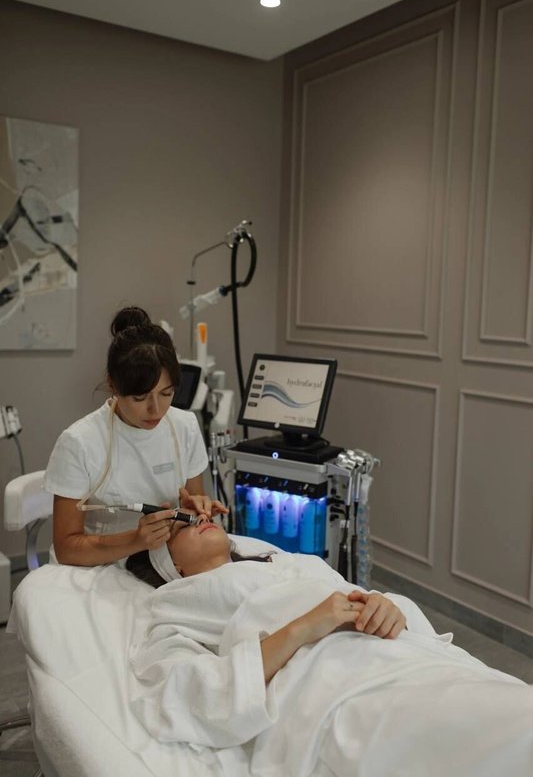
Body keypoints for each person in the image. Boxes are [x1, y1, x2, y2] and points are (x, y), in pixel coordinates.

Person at [127, 519, 533, 776]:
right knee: (497, 732)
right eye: (179, 528)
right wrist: (304, 628)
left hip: (402, 652)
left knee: (507, 704)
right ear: (172, 566)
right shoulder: (178, 602)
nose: (198, 518)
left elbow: (355, 595)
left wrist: (388, 608)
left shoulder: (289, 561)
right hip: (329, 676)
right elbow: (183, 692)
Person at [44, 306, 227, 566]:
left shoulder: (184, 426)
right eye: (140, 398)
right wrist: (135, 540)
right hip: (96, 569)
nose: (156, 409)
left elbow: (192, 510)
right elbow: (67, 549)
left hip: (164, 563)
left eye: (166, 393)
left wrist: (195, 509)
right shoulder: (79, 442)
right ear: (113, 385)